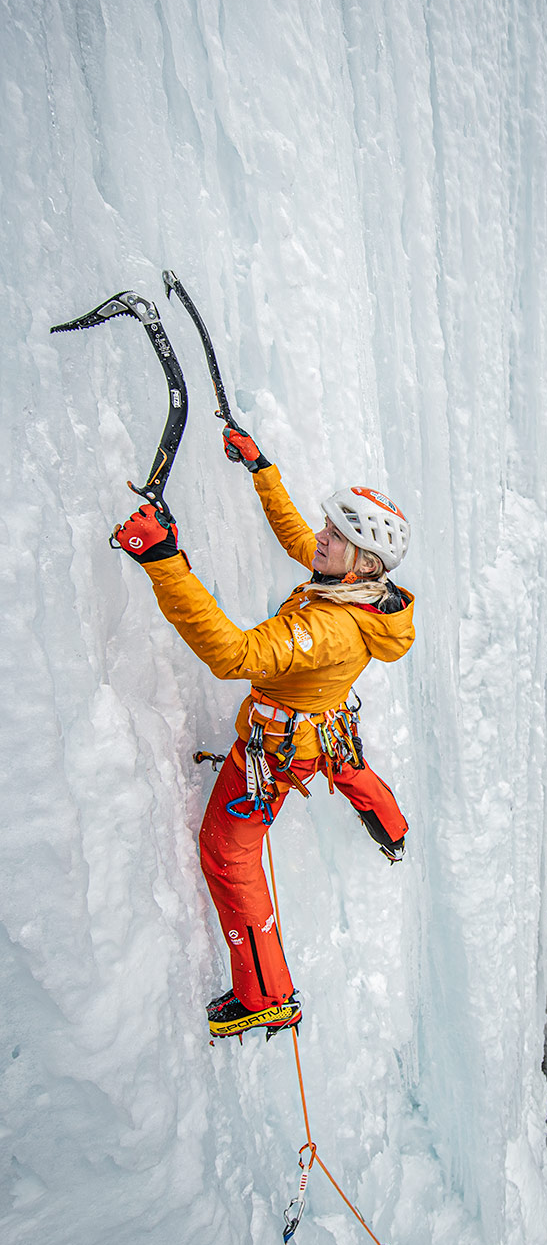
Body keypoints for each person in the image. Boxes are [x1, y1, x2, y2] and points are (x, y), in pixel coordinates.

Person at [113, 425, 415, 1039]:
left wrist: (163, 562)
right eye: (331, 529)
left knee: (227, 853)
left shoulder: (328, 630)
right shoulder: (361, 594)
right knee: (348, 767)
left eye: (337, 535)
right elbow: (298, 537)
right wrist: (262, 470)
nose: (321, 538)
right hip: (322, 726)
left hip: (276, 753)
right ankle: (393, 828)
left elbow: (233, 653)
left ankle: (265, 995)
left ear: (363, 560)